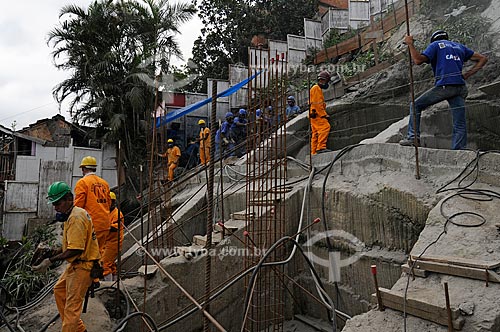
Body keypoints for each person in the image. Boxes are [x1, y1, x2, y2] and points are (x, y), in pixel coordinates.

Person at [399, 30, 487, 149]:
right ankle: (459, 150)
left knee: (415, 105)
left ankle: (412, 138)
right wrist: (467, 74)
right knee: (459, 123)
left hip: (445, 86)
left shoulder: (436, 45)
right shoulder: (459, 46)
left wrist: (410, 44)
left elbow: (418, 60)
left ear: (434, 39)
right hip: (460, 88)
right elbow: (483, 59)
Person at [32, 181, 101, 332]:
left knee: (71, 309)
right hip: (77, 264)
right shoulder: (73, 215)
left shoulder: (76, 218)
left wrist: (49, 261)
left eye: (58, 203)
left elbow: (75, 250)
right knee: (59, 290)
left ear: (69, 199)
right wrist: (53, 251)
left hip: (83, 266)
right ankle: (79, 330)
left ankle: (70, 328)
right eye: (54, 204)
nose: (55, 207)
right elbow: (70, 246)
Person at [74, 156, 111, 254]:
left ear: (83, 169)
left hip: (92, 224)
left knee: (89, 255)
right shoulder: (104, 183)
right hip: (105, 223)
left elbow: (78, 206)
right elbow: (109, 203)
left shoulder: (82, 182)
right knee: (100, 252)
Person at [101, 191, 124, 281]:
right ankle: (115, 281)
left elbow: (114, 228)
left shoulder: (117, 214)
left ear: (114, 202)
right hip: (107, 242)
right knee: (111, 264)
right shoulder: (106, 213)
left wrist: (100, 226)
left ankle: (108, 284)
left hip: (114, 243)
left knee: (104, 264)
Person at [309, 71, 332, 154]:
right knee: (325, 127)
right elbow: (317, 104)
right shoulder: (316, 88)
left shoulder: (315, 88)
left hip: (313, 115)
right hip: (317, 114)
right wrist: (324, 115)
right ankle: (321, 147)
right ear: (323, 80)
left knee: (315, 134)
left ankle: (314, 152)